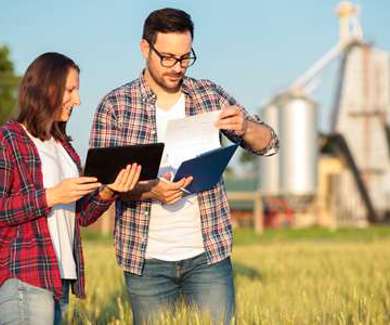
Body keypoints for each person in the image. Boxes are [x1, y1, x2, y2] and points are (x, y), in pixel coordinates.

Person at [89, 8, 279, 324]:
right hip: (146, 260)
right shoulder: (116, 106)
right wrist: (152, 191)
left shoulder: (209, 94)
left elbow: (270, 144)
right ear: (144, 48)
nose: (178, 67)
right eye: (167, 58)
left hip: (208, 255)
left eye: (185, 57)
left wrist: (245, 127)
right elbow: (102, 183)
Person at [0, 52, 142, 325]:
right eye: (71, 90)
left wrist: (109, 191)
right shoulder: (10, 138)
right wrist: (52, 196)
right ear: (46, 87)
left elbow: (82, 216)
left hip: (61, 278)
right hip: (25, 275)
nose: (77, 100)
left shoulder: (65, 148)